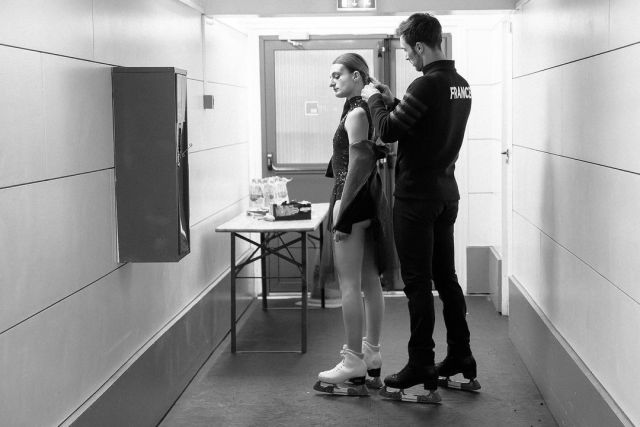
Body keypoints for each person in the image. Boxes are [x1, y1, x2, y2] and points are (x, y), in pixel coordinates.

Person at [361, 13, 479, 403]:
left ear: (422, 47)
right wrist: (394, 99)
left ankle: (421, 366)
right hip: (446, 195)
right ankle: (461, 357)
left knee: (416, 285)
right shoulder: (459, 85)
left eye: (409, 51)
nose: (408, 58)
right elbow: (421, 122)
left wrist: (375, 100)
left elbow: (389, 130)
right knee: (447, 279)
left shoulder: (426, 84)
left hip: (415, 199)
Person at [313, 53, 394, 396]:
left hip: (354, 201)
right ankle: (371, 354)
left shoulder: (357, 113)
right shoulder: (364, 109)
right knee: (368, 280)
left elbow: (358, 164)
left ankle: (352, 361)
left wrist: (341, 212)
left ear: (358, 77)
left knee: (350, 284)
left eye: (337, 75)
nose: (331, 81)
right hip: (367, 200)